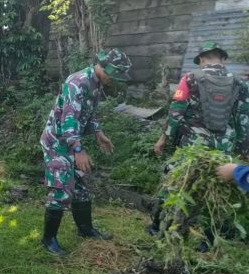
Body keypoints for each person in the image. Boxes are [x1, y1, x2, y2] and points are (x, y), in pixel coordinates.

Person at [148, 41, 249, 239]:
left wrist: (163, 139)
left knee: (175, 181)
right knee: (216, 186)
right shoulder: (240, 83)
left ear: (202, 59)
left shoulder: (190, 78)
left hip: (193, 145)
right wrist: (243, 149)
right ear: (222, 57)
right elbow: (243, 119)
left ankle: (159, 227)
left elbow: (176, 113)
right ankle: (210, 240)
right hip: (224, 147)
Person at [40, 48, 132, 255]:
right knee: (61, 189)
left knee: (81, 187)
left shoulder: (96, 84)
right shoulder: (78, 82)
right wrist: (79, 151)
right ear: (105, 67)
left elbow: (88, 114)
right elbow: (69, 120)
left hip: (71, 141)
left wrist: (99, 133)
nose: (114, 79)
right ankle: (48, 240)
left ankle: (86, 229)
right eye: (114, 74)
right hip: (57, 142)